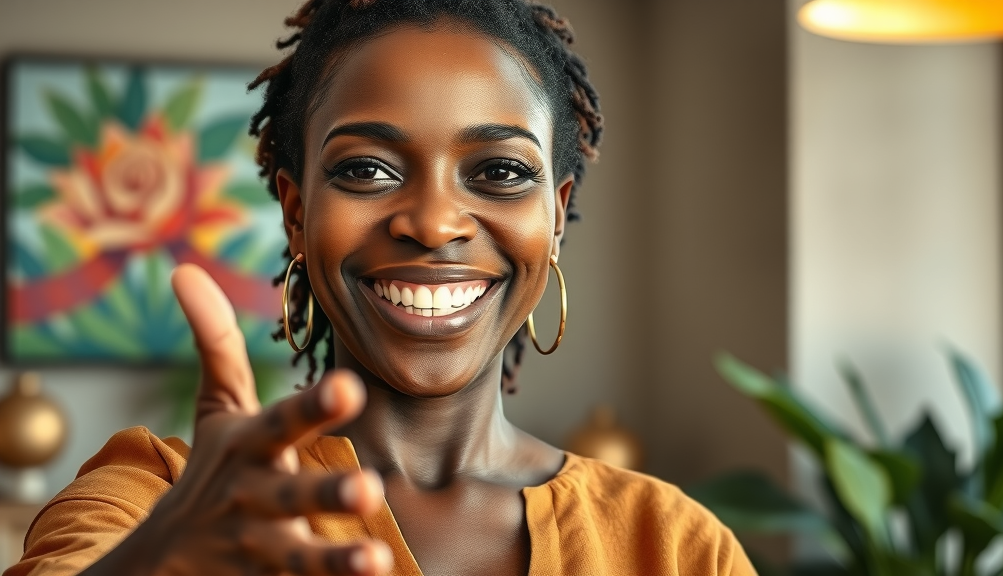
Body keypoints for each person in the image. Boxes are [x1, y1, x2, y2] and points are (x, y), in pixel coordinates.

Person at [5, 1, 757, 575]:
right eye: (366, 169)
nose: (433, 223)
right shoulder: (161, 495)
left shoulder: (675, 544)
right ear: (298, 215)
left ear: (554, 218)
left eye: (499, 172)